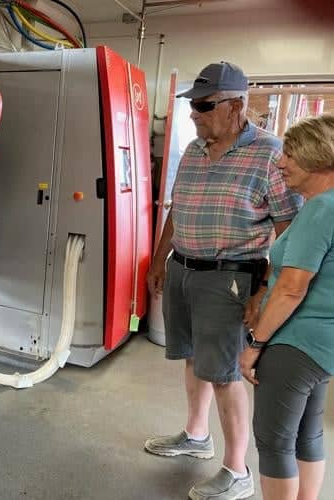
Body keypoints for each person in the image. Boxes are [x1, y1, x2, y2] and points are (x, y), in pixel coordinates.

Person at [144, 61, 302, 500]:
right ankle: (196, 436)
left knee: (226, 373)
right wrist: (160, 259)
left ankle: (237, 470)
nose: (194, 113)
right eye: (192, 105)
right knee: (194, 358)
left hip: (230, 277)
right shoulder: (195, 150)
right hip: (184, 267)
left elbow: (291, 229)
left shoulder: (271, 154)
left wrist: (267, 289)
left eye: (205, 105)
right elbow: (178, 207)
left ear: (237, 106)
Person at [239, 114, 334, 500]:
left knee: (276, 442)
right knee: (307, 434)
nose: (280, 163)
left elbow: (293, 288)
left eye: (289, 155)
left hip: (295, 342)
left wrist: (255, 344)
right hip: (323, 347)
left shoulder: (320, 209)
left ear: (318, 156)